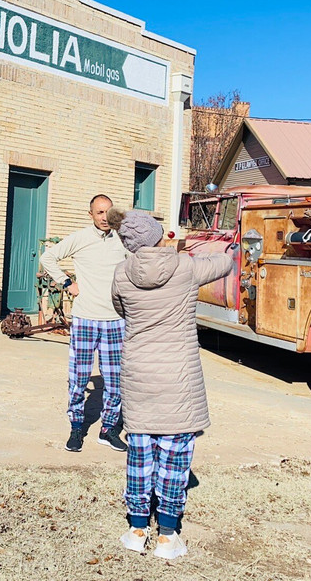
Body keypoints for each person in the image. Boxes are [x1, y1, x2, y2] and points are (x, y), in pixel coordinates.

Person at [107, 207, 233, 561]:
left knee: (140, 453)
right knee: (176, 458)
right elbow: (223, 263)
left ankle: (135, 529)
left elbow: (121, 309)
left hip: (139, 374)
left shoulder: (121, 273)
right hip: (178, 376)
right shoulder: (185, 267)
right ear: (159, 235)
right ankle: (167, 535)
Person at [39, 194, 128, 453]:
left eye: (108, 212)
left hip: (115, 321)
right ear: (90, 214)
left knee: (115, 380)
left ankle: (108, 429)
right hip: (86, 319)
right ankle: (77, 427)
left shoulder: (122, 241)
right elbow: (48, 258)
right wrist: (67, 283)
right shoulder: (80, 238)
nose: (104, 218)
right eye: (99, 212)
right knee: (78, 377)